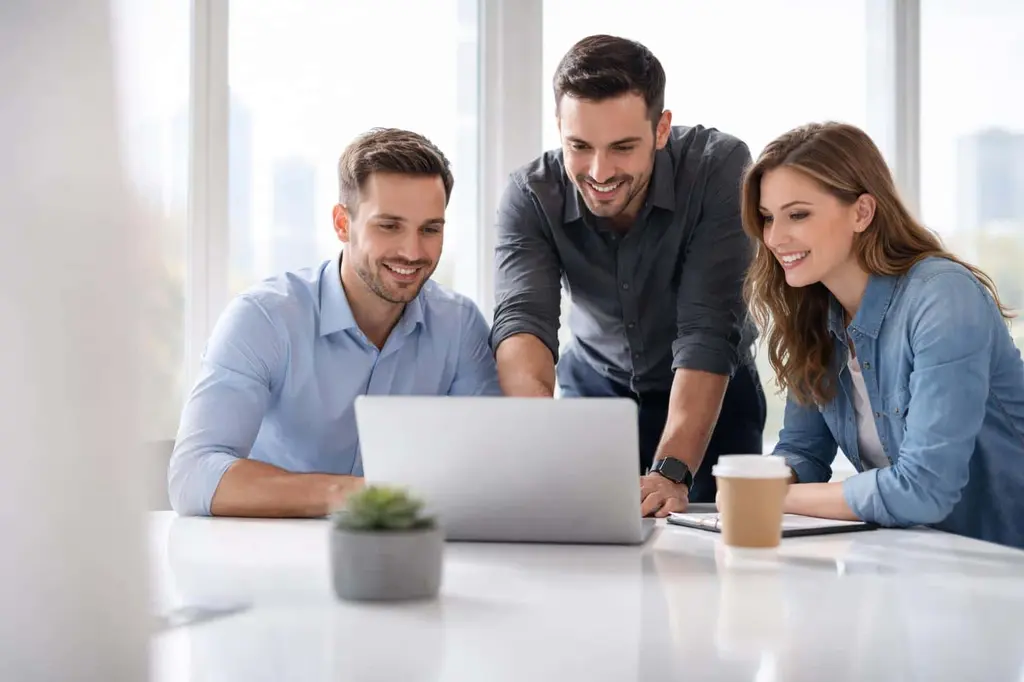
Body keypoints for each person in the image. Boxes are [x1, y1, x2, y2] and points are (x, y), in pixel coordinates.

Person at [490, 34, 766, 516]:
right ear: (559, 127)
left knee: (712, 571)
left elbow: (707, 330)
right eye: (579, 145)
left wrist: (673, 470)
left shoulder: (718, 168)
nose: (599, 171)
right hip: (596, 397)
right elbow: (523, 322)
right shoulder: (530, 194)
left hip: (714, 398)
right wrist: (536, 445)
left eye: (622, 147)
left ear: (661, 129)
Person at [168, 128, 501, 518]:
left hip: (404, 556)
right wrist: (364, 496)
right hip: (269, 556)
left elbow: (489, 470)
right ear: (343, 224)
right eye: (389, 226)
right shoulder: (264, 319)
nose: (413, 251)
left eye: (430, 229)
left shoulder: (459, 326)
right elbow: (193, 476)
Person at [743, 121, 1024, 549]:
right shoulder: (816, 314)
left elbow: (924, 489)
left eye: (798, 214)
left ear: (862, 212)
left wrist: (773, 498)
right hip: (930, 562)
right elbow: (803, 450)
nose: (775, 238)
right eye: (767, 218)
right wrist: (753, 484)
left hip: (1006, 562)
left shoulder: (941, 297)